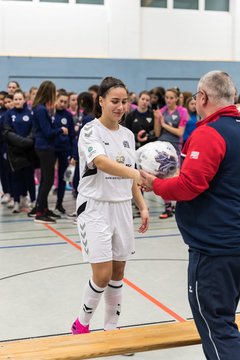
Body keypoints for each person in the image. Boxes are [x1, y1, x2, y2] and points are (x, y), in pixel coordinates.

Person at [140, 70, 240, 360]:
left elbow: (189, 186)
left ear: (203, 97)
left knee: (216, 325)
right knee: (224, 321)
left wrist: (154, 183)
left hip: (215, 250)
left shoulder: (209, 133)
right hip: (232, 245)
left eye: (196, 97)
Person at [71, 76, 149, 334]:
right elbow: (102, 162)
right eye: (114, 101)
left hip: (122, 207)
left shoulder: (127, 135)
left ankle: (111, 328)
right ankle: (81, 324)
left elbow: (131, 175)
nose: (120, 106)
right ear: (101, 101)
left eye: (125, 101)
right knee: (102, 274)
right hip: (94, 208)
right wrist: (136, 174)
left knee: (118, 271)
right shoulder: (90, 131)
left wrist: (142, 206)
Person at [30, 80, 68, 223]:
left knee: (46, 179)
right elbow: (47, 132)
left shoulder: (41, 108)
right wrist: (61, 130)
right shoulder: (40, 109)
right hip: (44, 147)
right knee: (48, 181)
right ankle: (39, 212)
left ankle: (44, 208)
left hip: (45, 147)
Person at [154, 87, 188, 219]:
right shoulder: (162, 111)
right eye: (167, 97)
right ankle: (168, 207)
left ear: (176, 99)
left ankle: (181, 205)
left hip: (176, 147)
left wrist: (163, 123)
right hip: (162, 146)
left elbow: (180, 132)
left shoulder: (182, 111)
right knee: (162, 176)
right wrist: (157, 120)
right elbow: (157, 133)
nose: (168, 100)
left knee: (177, 177)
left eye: (171, 98)